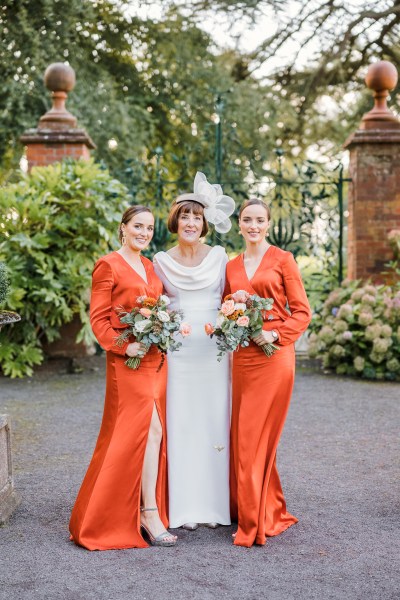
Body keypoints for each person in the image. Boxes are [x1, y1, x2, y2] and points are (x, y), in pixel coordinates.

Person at [69, 206, 177, 549]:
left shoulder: (149, 266)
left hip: (156, 359)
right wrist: (123, 347)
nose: (143, 233)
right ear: (123, 228)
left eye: (148, 228)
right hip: (127, 362)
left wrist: (165, 328)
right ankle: (146, 511)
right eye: (137, 226)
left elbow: (156, 309)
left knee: (152, 432)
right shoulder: (108, 264)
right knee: (142, 431)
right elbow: (99, 318)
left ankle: (144, 509)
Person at [224, 198, 312, 548]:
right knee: (244, 436)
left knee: (256, 438)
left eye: (260, 220)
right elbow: (227, 308)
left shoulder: (283, 260)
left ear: (269, 224)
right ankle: (264, 506)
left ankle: (252, 522)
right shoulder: (231, 266)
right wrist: (229, 320)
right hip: (244, 358)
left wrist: (275, 333)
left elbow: (302, 312)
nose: (253, 226)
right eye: (247, 220)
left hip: (275, 356)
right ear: (239, 224)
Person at [153, 172, 235, 530]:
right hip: (178, 350)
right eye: (184, 216)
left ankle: (216, 506)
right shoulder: (159, 260)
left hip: (214, 351)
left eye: (196, 217)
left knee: (214, 419)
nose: (190, 222)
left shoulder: (219, 256)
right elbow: (155, 303)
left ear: (204, 223)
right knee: (181, 421)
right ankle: (183, 507)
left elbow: (231, 299)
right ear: (175, 221)